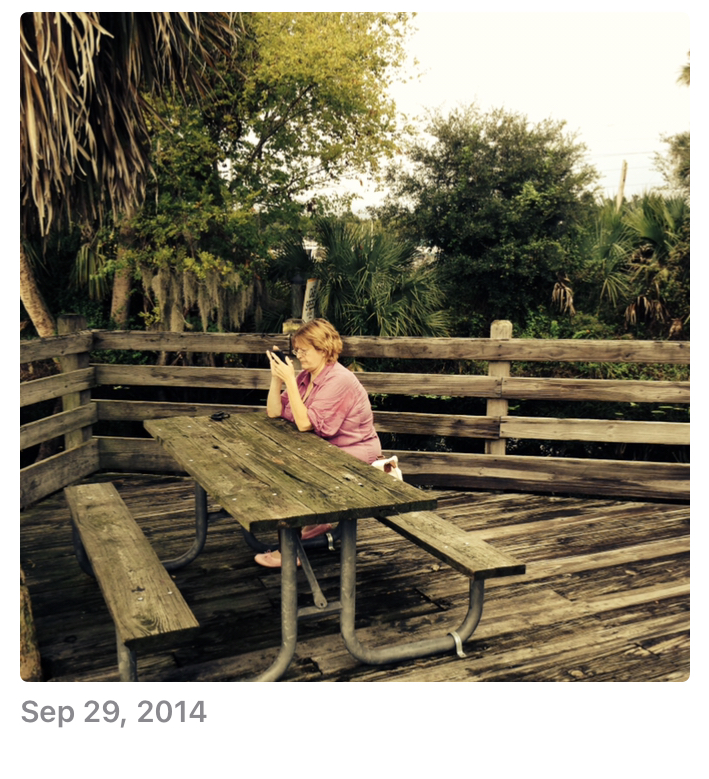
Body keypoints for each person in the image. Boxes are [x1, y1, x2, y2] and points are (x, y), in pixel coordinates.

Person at [255, 318, 383, 568]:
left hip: (352, 453)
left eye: (304, 350)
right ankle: (313, 525)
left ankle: (289, 551)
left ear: (323, 350)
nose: (298, 355)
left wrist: (290, 380)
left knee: (290, 474)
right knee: (277, 463)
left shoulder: (339, 380)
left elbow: (305, 424)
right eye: (297, 350)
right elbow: (273, 411)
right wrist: (276, 379)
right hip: (325, 450)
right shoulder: (306, 376)